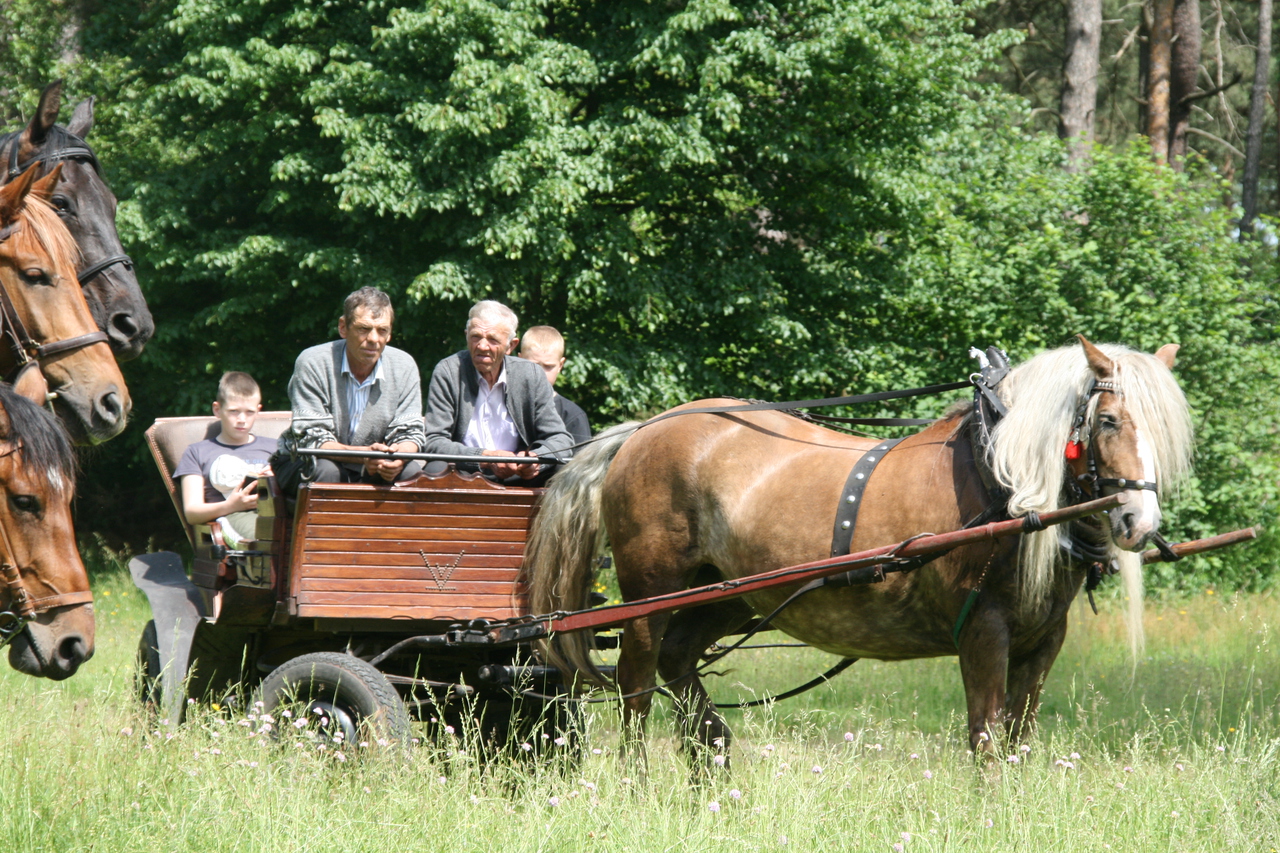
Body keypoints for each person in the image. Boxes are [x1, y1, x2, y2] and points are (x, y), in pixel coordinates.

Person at [279, 287, 426, 491]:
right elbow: (313, 438)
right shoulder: (313, 362)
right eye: (364, 329)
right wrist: (365, 455)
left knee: (411, 472)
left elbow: (410, 432)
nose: (374, 339)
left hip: (372, 463)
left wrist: (397, 457)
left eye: (382, 330)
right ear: (343, 327)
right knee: (327, 472)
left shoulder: (404, 366)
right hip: (304, 460)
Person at [423, 300, 572, 481]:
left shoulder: (530, 374)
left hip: (519, 475)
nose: (482, 346)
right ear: (466, 336)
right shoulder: (449, 371)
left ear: (511, 346)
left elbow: (560, 439)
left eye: (493, 340)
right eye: (476, 336)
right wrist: (485, 458)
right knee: (435, 468)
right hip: (462, 474)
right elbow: (434, 442)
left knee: (563, 470)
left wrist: (536, 460)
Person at [174, 371, 277, 545]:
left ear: (258, 410)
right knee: (268, 537)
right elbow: (192, 512)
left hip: (275, 512)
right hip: (229, 516)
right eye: (234, 411)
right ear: (217, 409)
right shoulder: (197, 452)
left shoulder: (275, 449)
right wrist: (232, 505)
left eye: (249, 412)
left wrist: (278, 477)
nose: (242, 419)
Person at [518, 325, 591, 444]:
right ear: (519, 361)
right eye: (533, 366)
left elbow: (582, 462)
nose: (540, 374)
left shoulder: (573, 415)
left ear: (560, 365)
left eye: (548, 367)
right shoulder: (501, 403)